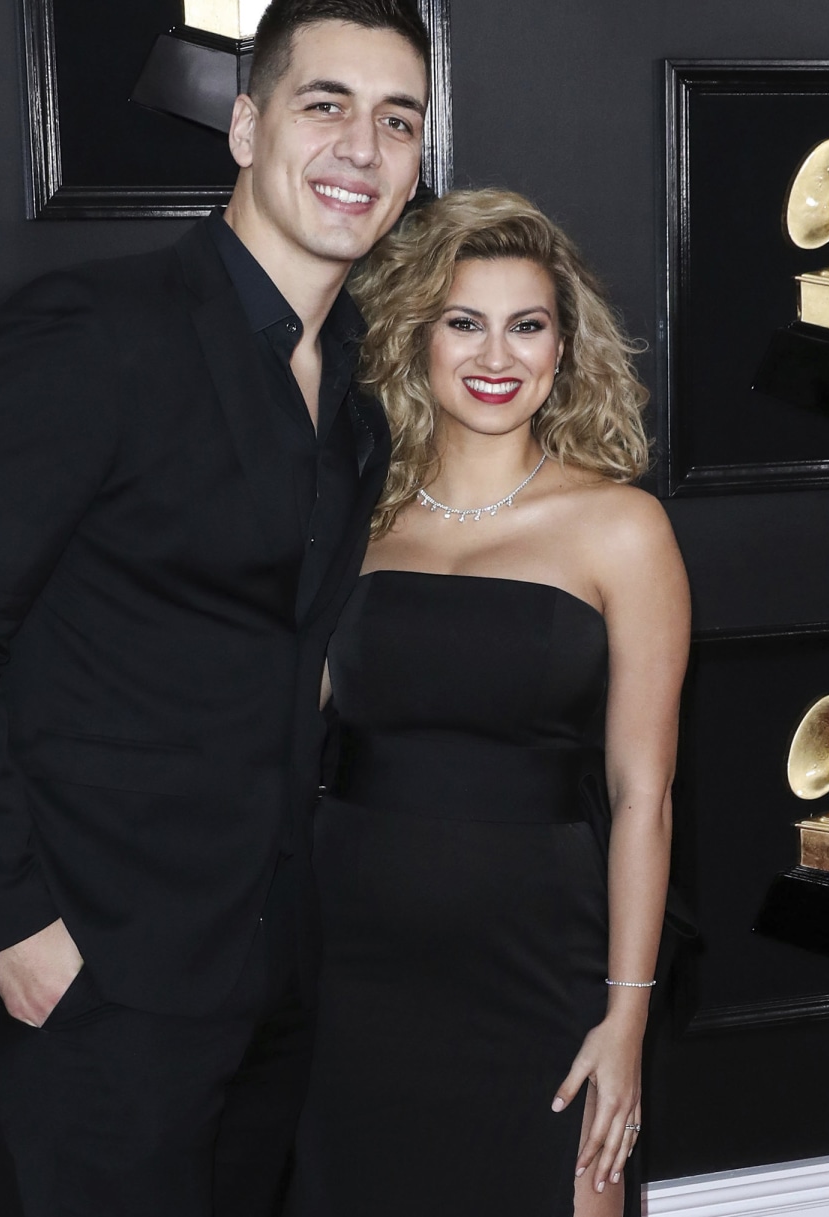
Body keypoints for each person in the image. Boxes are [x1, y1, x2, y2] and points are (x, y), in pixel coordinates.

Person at [0, 0, 429, 1217]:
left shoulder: (359, 399)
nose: (362, 146)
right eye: (326, 104)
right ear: (245, 126)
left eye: (397, 119)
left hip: (274, 970)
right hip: (97, 971)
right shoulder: (95, 331)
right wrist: (9, 922)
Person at [286, 189, 690, 1217]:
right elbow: (278, 727)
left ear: (564, 347)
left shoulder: (621, 527)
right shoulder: (358, 518)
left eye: (528, 324)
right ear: (417, 338)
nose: (497, 355)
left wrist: (625, 1018)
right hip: (353, 959)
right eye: (464, 322)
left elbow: (642, 794)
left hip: (542, 961)